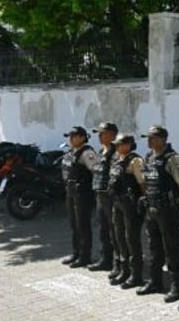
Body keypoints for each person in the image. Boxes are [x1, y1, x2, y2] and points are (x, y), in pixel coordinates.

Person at [137, 125, 179, 302]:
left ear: (163, 139)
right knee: (154, 246)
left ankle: (176, 286)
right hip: (151, 209)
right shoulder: (149, 157)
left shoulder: (172, 159)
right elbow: (146, 181)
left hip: (168, 211)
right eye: (147, 138)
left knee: (172, 247)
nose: (149, 141)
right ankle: (155, 281)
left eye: (152, 138)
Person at [107, 133, 145, 289]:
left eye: (121, 144)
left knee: (132, 239)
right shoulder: (117, 159)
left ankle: (136, 275)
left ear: (129, 144)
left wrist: (142, 203)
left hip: (130, 204)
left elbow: (142, 183)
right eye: (116, 145)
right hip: (117, 203)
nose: (117, 147)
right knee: (119, 237)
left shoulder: (135, 161)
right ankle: (125, 270)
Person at [60, 126, 98, 268]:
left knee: (83, 225)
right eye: (69, 136)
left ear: (82, 137)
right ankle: (76, 253)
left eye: (74, 136)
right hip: (71, 193)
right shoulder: (72, 152)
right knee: (74, 225)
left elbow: (96, 171)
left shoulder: (87, 153)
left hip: (83, 194)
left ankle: (85, 256)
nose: (70, 139)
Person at [87, 122, 118, 273]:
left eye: (103, 133)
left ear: (112, 135)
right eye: (98, 133)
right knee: (103, 231)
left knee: (115, 231)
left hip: (111, 198)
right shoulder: (101, 151)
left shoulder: (116, 153)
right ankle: (105, 259)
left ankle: (119, 263)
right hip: (100, 196)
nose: (99, 136)